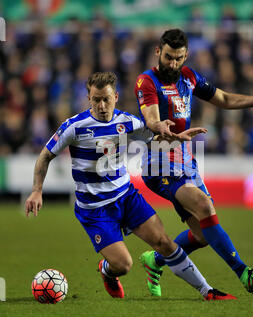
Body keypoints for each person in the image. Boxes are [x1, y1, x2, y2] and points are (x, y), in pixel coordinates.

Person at [25, 71, 236, 301]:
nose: (102, 105)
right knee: (124, 265)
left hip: (126, 197)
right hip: (95, 210)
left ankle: (208, 291)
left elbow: (155, 140)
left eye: (106, 99)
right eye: (96, 100)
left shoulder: (129, 122)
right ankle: (107, 271)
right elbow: (45, 156)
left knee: (164, 242)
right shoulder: (74, 127)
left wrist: (177, 137)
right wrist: (37, 190)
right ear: (89, 99)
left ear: (115, 96)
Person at [135, 29, 253, 297]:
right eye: (168, 57)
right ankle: (244, 273)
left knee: (203, 235)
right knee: (205, 206)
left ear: (186, 56)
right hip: (158, 162)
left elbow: (224, 99)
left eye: (178, 58)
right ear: (158, 51)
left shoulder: (190, 77)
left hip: (185, 160)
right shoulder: (147, 81)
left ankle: (155, 260)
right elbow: (152, 119)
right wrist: (165, 129)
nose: (172, 64)